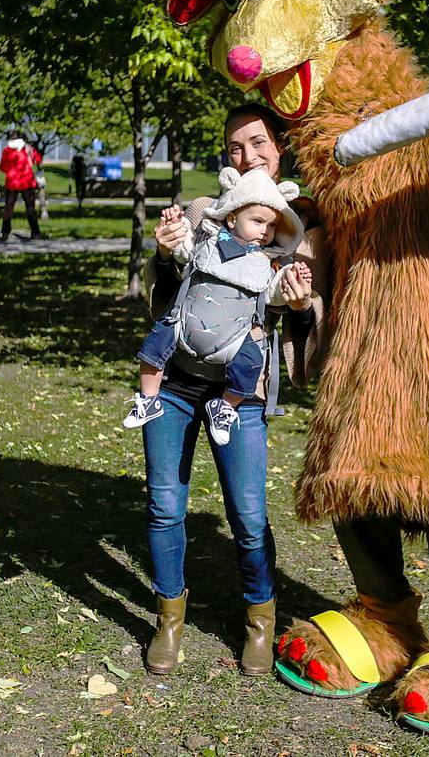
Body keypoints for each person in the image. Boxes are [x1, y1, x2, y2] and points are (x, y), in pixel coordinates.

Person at [136, 103, 322, 678]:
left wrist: (298, 305)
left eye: (259, 143)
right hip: (174, 388)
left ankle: (259, 625)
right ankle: (168, 619)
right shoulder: (202, 213)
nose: (248, 156)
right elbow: (163, 296)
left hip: (238, 399)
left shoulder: (297, 228)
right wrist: (166, 254)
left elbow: (307, 319)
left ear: (280, 149)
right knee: (166, 506)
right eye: (236, 147)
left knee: (247, 515)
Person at [123, 166, 311, 447]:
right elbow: (182, 249)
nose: (266, 231)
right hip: (183, 328)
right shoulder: (207, 238)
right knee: (154, 345)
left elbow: (275, 292)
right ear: (232, 217)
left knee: (250, 361)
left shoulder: (267, 261)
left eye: (272, 226)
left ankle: (224, 406)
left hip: (233, 341)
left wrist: (294, 282)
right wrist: (173, 231)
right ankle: (149, 398)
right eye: (259, 222)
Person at [0, 131, 44, 240]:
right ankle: (35, 232)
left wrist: (10, 171)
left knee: (8, 209)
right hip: (27, 182)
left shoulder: (7, 151)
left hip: (12, 183)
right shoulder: (28, 148)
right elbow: (38, 159)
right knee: (30, 208)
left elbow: (2, 167)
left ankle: (5, 232)